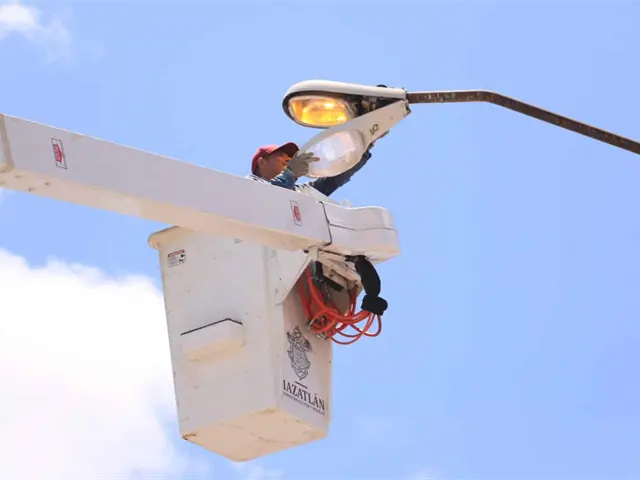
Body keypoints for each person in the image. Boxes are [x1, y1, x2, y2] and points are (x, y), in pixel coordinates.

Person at [249, 141, 373, 197]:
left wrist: (363, 147)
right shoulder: (248, 185)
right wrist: (290, 174)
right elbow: (266, 198)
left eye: (289, 157)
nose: (288, 159)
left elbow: (333, 180)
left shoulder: (301, 192)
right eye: (281, 155)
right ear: (262, 162)